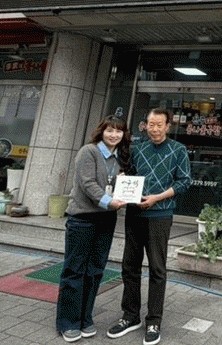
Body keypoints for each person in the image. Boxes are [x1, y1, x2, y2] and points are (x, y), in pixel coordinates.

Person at [108, 107, 191, 345]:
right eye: (150, 124)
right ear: (145, 125)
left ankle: (154, 321)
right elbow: (127, 174)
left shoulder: (178, 150)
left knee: (157, 269)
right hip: (134, 214)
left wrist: (157, 198)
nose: (154, 129)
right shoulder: (137, 149)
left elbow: (185, 181)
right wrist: (122, 181)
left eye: (159, 125)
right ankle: (130, 316)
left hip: (160, 215)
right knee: (129, 266)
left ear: (168, 126)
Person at [56, 115, 131, 342]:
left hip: (106, 220)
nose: (114, 135)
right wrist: (110, 202)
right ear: (101, 131)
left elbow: (115, 186)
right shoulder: (88, 151)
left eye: (118, 131)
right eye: (110, 130)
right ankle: (68, 323)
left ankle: (85, 319)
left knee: (95, 270)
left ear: (123, 134)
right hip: (83, 218)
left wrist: (124, 185)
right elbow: (87, 183)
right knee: (75, 270)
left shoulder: (120, 157)